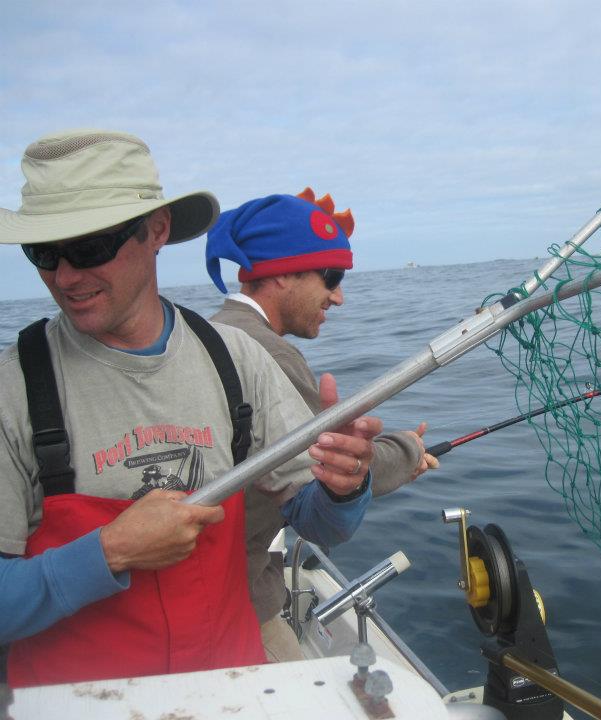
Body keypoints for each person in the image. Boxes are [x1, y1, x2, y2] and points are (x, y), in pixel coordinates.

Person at [0, 129, 374, 688]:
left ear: (157, 232)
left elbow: (317, 522)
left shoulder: (236, 359)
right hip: (79, 701)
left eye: (88, 248)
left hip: (229, 686)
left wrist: (345, 488)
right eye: (43, 253)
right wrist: (108, 552)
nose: (66, 276)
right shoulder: (15, 388)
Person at [205, 188, 438, 661]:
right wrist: (410, 451)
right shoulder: (265, 352)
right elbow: (331, 462)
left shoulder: (212, 332)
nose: (339, 296)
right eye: (331, 276)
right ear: (282, 274)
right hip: (235, 606)